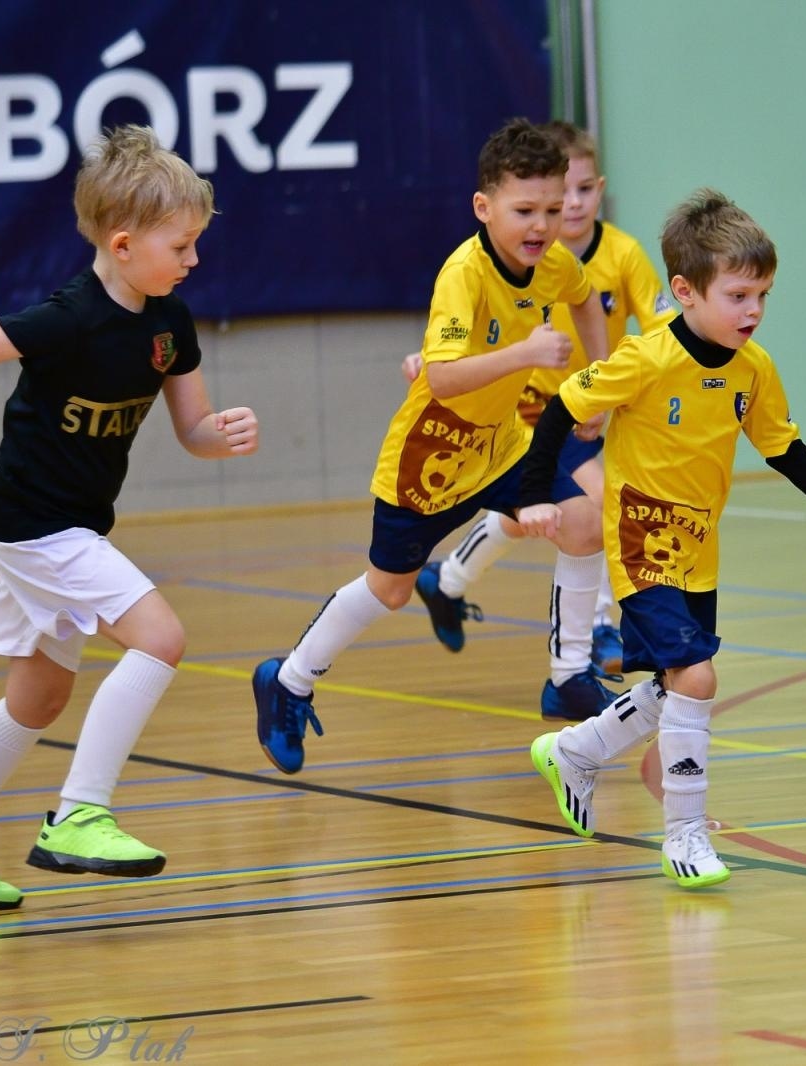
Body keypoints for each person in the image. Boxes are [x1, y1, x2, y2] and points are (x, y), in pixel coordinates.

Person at [0, 125, 258, 910]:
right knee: (162, 638)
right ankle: (80, 812)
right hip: (36, 523)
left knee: (36, 700)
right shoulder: (66, 318)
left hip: (73, 527)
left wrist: (223, 436)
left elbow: (193, 429)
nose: (193, 260)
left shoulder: (169, 322)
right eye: (181, 246)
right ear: (124, 242)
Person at [515, 189, 806, 888]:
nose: (753, 311)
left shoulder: (754, 370)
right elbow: (564, 408)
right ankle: (684, 837)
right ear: (685, 292)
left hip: (697, 552)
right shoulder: (645, 359)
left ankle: (575, 751)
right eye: (739, 295)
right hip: (638, 543)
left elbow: (782, 445)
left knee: (670, 687)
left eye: (763, 296)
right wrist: (535, 492)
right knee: (697, 676)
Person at [251, 118, 617, 775]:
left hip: (503, 445)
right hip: (432, 456)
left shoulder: (555, 262)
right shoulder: (465, 274)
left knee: (587, 522)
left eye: (554, 210)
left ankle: (568, 676)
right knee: (388, 591)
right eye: (525, 210)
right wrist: (526, 354)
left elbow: (587, 301)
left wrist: (600, 379)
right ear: (484, 207)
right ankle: (289, 679)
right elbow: (443, 379)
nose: (542, 225)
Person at [412, 120, 675, 679]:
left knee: (545, 515)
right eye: (561, 195)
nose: (570, 206)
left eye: (581, 193)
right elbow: (468, 329)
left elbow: (665, 330)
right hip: (525, 409)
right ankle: (596, 633)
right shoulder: (502, 258)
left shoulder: (621, 255)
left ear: (597, 192)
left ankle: (450, 578)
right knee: (599, 505)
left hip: (584, 407)